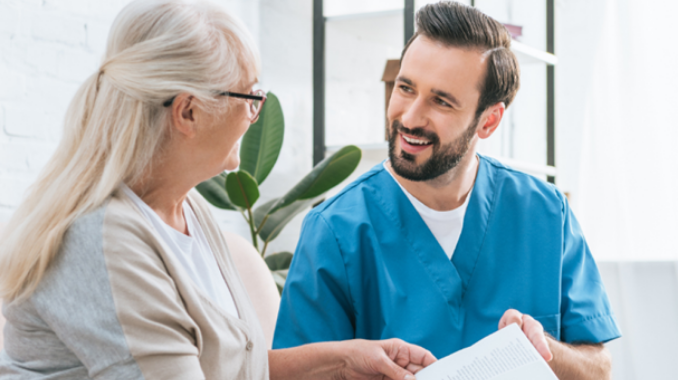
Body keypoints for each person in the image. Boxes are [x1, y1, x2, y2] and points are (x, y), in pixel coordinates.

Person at [0, 1, 436, 379]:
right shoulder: (102, 238)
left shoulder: (185, 208)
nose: (254, 115)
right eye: (249, 97)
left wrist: (344, 364)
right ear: (188, 112)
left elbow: (235, 371)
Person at [273, 2, 621, 379]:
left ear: (488, 120)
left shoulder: (546, 215)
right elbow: (290, 371)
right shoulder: (335, 229)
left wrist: (544, 351)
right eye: (405, 88)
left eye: (441, 101)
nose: (409, 117)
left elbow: (598, 368)